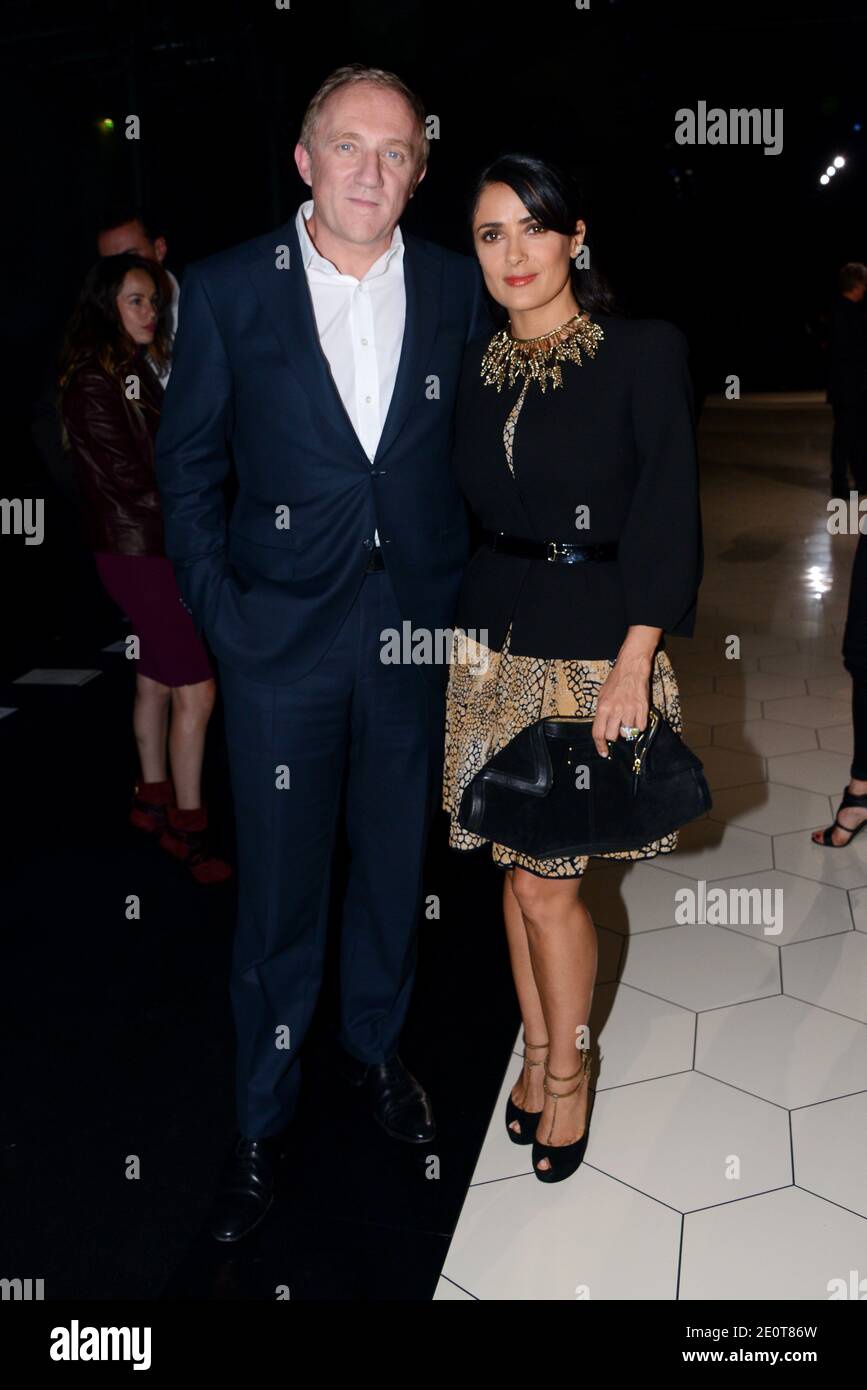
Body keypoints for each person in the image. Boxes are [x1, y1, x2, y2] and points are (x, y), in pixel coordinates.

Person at [154, 64, 492, 1242]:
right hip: (278, 647)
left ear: (416, 171)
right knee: (281, 895)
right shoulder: (231, 287)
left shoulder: (455, 288)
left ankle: (376, 1051)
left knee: (395, 872)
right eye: (349, 146)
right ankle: (261, 1106)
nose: (370, 170)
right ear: (305, 160)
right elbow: (186, 471)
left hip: (411, 637)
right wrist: (224, 617)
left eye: (395, 152)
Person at [442, 155, 702, 1183]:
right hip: (487, 649)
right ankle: (541, 1045)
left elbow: (668, 511)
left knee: (553, 889)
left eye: (532, 227)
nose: (513, 252)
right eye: (489, 233)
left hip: (591, 650)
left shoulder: (642, 352)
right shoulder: (471, 366)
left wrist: (636, 659)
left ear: (575, 235)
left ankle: (569, 1074)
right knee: (515, 875)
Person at [58, 253, 231, 884]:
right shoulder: (95, 382)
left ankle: (149, 799)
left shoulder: (129, 370)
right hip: (140, 553)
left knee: (157, 681)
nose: (151, 311)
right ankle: (189, 826)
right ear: (108, 305)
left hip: (146, 547)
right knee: (198, 688)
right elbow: (135, 481)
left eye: (153, 301)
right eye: (136, 300)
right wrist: (207, 512)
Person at [97, 206, 182, 384]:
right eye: (110, 265)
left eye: (131, 257)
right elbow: (133, 398)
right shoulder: (99, 331)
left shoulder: (205, 301)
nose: (122, 271)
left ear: (159, 249)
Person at [827, 261, 867, 496]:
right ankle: (841, 484)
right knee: (846, 437)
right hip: (850, 387)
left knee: (851, 436)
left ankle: (853, 481)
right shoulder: (848, 315)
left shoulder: (840, 311)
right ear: (857, 285)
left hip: (846, 386)